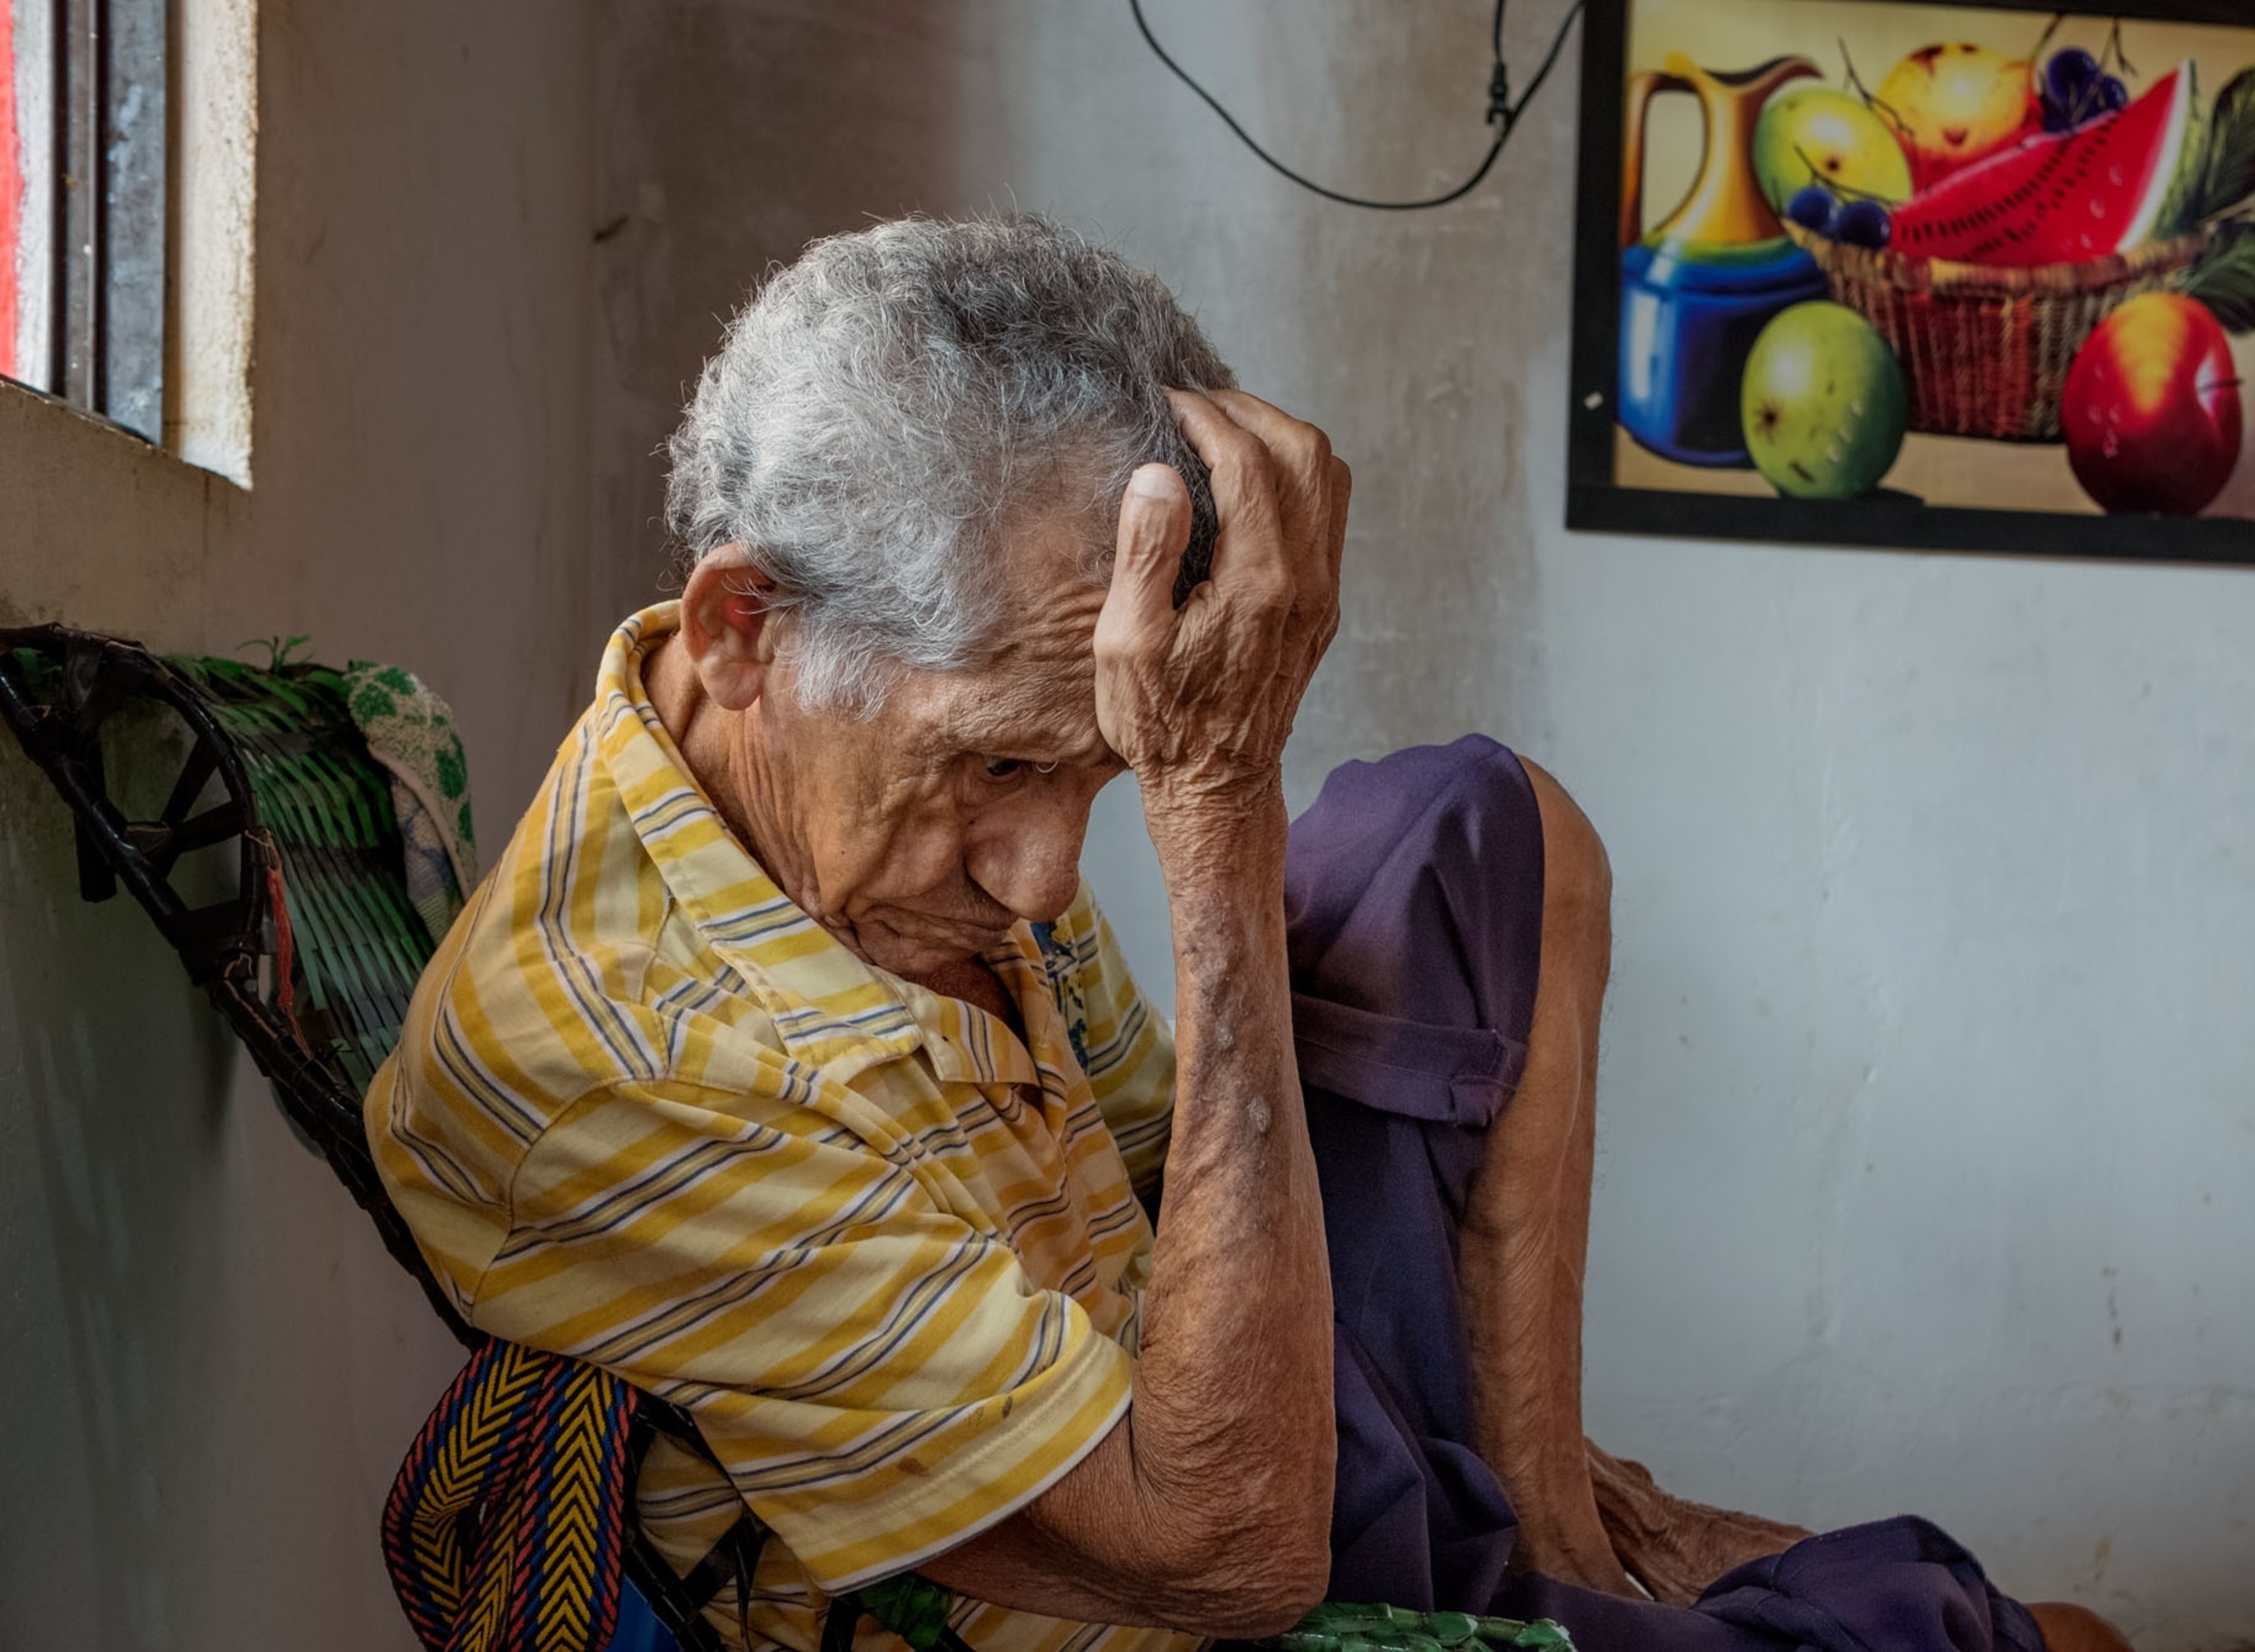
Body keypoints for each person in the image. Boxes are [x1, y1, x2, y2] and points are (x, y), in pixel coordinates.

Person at [369, 215, 2126, 1652]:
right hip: (1185, 1518)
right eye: (997, 765)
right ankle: (1589, 1567)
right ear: (747, 624)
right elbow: (1229, 1548)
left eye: (1099, 776)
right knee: (2009, 1633)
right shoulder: (613, 1051)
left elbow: (1158, 1145)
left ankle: (1547, 1518)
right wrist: (1213, 822)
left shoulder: (834, 771)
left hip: (1227, 1347)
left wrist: (1483, 1438)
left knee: (1471, 821)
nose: (1049, 877)